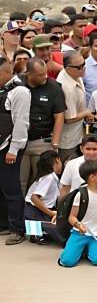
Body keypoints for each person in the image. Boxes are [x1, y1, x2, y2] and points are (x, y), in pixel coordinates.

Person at [19, 58, 65, 193]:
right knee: (19, 182)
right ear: (28, 74)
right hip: (20, 141)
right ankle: (20, 213)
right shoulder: (17, 84)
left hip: (42, 141)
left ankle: (35, 213)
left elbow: (59, 116)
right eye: (40, 75)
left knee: (39, 182)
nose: (45, 77)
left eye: (45, 73)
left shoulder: (54, 87)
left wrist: (54, 144)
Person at [0, 57, 30, 245]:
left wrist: (14, 149)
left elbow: (21, 122)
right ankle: (3, 223)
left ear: (5, 72)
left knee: (11, 189)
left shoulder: (19, 91)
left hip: (9, 147)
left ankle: (16, 229)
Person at [58, 159, 97, 267]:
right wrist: (78, 225)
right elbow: (71, 217)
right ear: (92, 177)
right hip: (79, 233)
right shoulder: (81, 194)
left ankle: (85, 251)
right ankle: (74, 250)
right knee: (67, 262)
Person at [23, 150, 62, 244]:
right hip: (34, 210)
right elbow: (34, 198)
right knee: (62, 236)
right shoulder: (49, 177)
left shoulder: (49, 177)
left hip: (36, 210)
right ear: (57, 160)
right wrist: (51, 213)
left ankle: (37, 232)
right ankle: (37, 232)